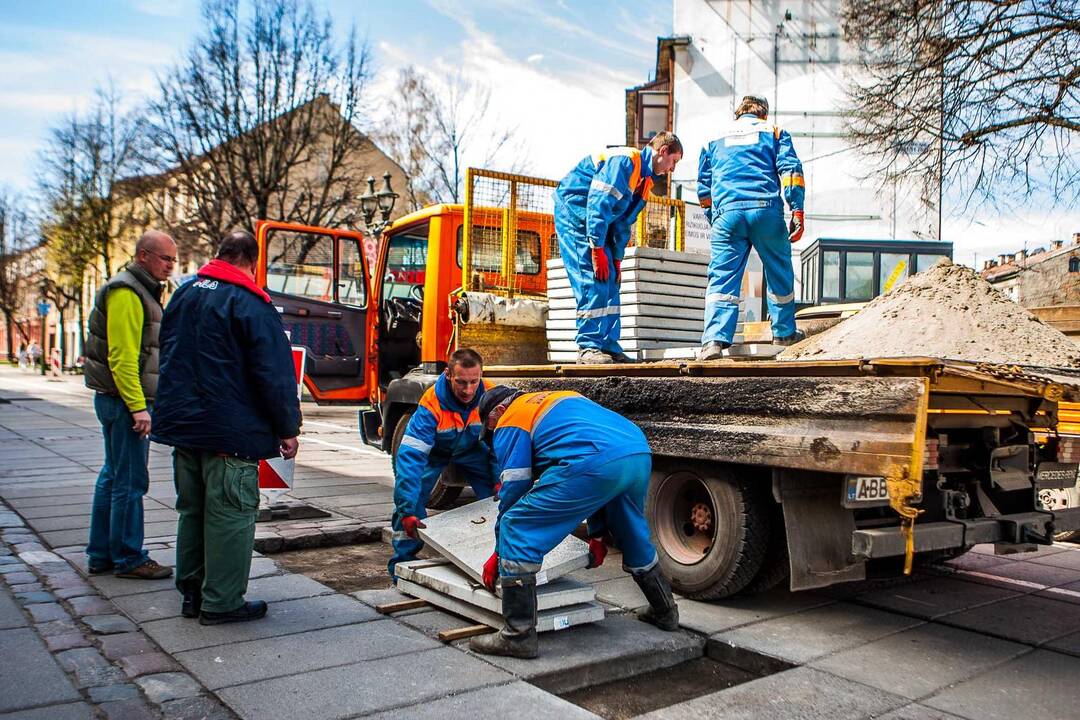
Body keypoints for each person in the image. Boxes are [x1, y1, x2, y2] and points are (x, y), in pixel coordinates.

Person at [151, 230, 301, 625]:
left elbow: (165, 356)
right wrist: (287, 427)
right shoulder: (250, 303)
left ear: (219, 254)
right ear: (253, 262)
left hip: (185, 429)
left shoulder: (182, 295)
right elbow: (274, 373)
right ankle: (221, 602)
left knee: (193, 512)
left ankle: (193, 594)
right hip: (230, 433)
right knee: (231, 516)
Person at [470, 386, 679, 659]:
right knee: (632, 533)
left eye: (491, 428)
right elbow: (589, 455)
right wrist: (598, 534)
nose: (494, 437)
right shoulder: (560, 397)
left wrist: (500, 551)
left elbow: (515, 487)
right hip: (636, 450)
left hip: (596, 460)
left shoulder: (511, 418)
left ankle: (517, 635)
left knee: (516, 526)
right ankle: (665, 612)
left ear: (498, 411)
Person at [82, 230, 176, 580]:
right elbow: (122, 356)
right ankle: (129, 557)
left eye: (173, 260)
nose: (170, 266)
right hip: (124, 403)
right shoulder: (127, 292)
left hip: (116, 400)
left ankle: (102, 554)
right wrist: (138, 407)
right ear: (143, 256)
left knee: (112, 476)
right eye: (165, 258)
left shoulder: (138, 290)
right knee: (130, 481)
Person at [554, 132, 683, 365]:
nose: (672, 169)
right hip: (575, 214)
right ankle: (588, 346)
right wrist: (596, 248)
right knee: (591, 277)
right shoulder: (625, 162)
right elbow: (597, 203)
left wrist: (616, 258)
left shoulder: (644, 183)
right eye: (674, 161)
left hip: (597, 222)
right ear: (663, 151)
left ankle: (608, 345)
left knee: (611, 279)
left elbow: (623, 223)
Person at [696, 95, 806, 361]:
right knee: (778, 269)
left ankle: (713, 340)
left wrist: (716, 217)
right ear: (762, 114)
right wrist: (797, 209)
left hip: (727, 214)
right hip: (764, 209)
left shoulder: (713, 139)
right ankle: (783, 332)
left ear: (738, 113)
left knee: (722, 278)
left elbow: (703, 185)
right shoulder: (774, 131)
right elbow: (790, 170)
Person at [388, 348, 496, 580]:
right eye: (461, 382)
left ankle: (495, 555)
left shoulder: (491, 395)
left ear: (481, 376)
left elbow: (502, 444)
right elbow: (410, 459)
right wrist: (407, 509)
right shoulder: (431, 404)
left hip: (472, 450)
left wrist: (501, 480)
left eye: (473, 382)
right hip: (435, 452)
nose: (468, 390)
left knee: (497, 498)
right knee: (410, 501)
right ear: (448, 374)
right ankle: (403, 565)